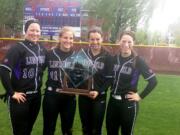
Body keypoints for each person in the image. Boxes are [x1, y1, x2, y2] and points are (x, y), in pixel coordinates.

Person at [0, 19, 47, 135]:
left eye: (37, 31)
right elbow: (3, 70)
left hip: (36, 97)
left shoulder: (42, 49)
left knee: (28, 129)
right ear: (26, 31)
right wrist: (11, 93)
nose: (35, 33)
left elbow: (45, 67)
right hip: (21, 97)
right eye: (32, 30)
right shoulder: (17, 48)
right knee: (20, 132)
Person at [106, 31, 157, 135]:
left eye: (129, 42)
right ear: (118, 42)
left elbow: (153, 81)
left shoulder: (138, 61)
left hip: (128, 104)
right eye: (123, 41)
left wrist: (140, 96)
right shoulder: (114, 59)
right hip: (112, 103)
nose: (126, 44)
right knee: (111, 132)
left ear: (133, 43)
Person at [43, 26, 76, 135]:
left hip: (69, 97)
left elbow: (82, 78)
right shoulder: (49, 54)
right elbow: (38, 70)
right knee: (48, 128)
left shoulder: (77, 56)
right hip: (52, 95)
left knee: (67, 129)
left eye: (71, 38)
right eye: (65, 37)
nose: (68, 40)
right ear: (60, 38)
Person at [78, 26, 112, 135]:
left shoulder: (108, 57)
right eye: (92, 39)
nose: (95, 42)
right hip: (84, 96)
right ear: (88, 40)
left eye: (97, 39)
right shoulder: (82, 54)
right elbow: (76, 75)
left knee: (96, 129)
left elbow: (110, 79)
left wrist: (99, 91)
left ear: (102, 39)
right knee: (85, 127)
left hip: (99, 97)